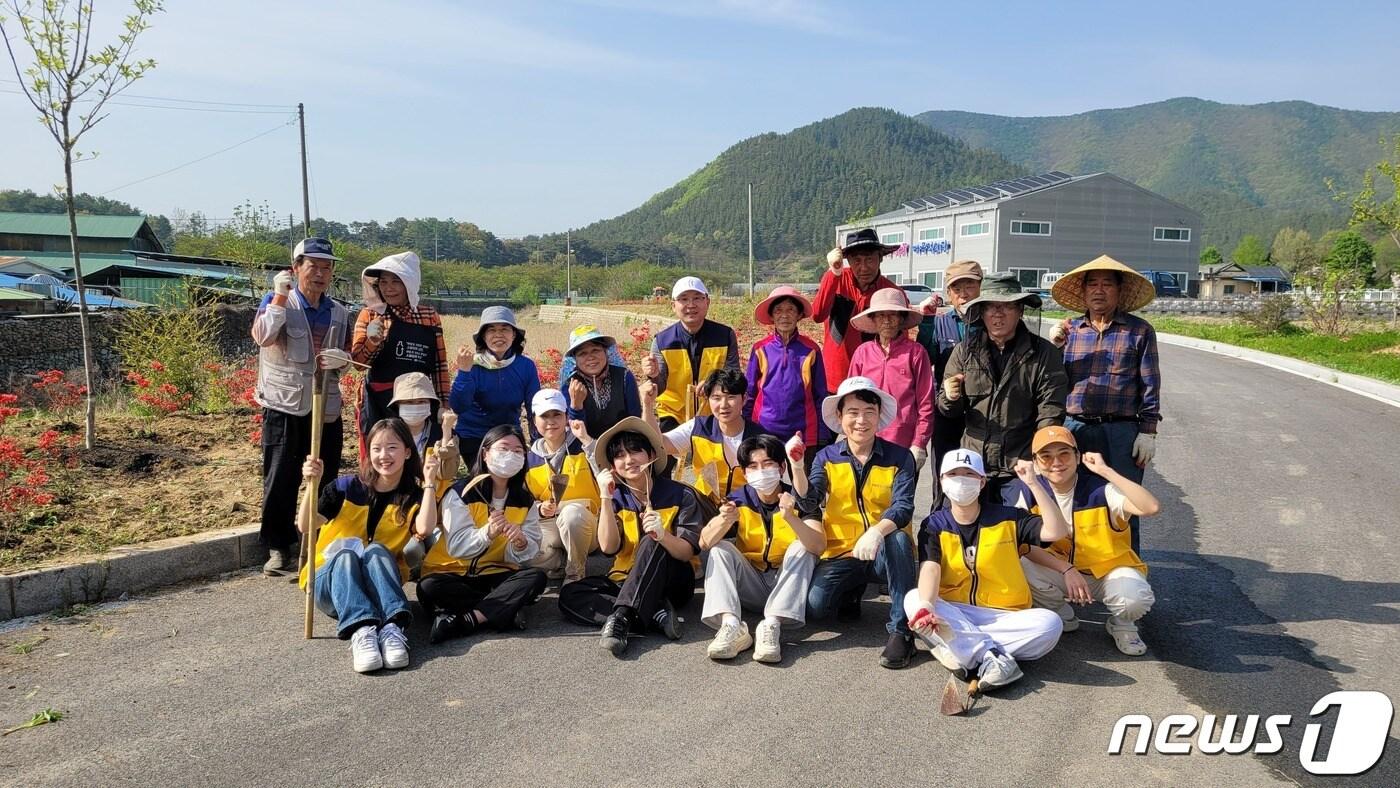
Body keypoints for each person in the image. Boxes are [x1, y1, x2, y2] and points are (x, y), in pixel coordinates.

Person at [903, 449, 1069, 692]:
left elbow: (1055, 532)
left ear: (982, 482)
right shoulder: (935, 523)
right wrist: (927, 607)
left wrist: (1033, 483)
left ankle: (963, 650)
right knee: (915, 598)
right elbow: (930, 568)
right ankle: (991, 656)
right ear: (942, 481)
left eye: (969, 474)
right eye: (954, 474)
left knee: (1050, 624)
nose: (961, 479)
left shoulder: (1009, 517)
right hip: (956, 610)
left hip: (1005, 615)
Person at [557, 417, 705, 658]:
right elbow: (608, 546)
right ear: (613, 466)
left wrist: (664, 536)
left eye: (636, 451)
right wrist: (605, 498)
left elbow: (686, 552)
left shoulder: (681, 494)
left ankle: (622, 617)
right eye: (620, 456)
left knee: (652, 540)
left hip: (674, 581)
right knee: (569, 595)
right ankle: (652, 614)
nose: (629, 460)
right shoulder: (616, 498)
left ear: (651, 455)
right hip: (623, 580)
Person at [800, 377, 919, 669]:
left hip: (884, 550)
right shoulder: (825, 458)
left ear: (879, 416)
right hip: (841, 551)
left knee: (900, 538)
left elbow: (903, 507)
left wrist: (877, 531)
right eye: (852, 412)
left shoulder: (900, 457)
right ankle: (850, 591)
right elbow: (810, 500)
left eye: (869, 412)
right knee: (816, 607)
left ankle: (902, 632)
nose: (861, 420)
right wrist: (795, 467)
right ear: (839, 417)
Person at [252, 237, 353, 576]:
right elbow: (263, 336)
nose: (320, 274)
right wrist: (279, 297)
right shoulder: (277, 300)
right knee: (281, 476)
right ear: (296, 269)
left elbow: (347, 358)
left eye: (326, 267)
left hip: (326, 406)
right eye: (312, 266)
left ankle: (318, 541)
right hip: (284, 405)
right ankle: (279, 548)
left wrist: (342, 360)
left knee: (326, 478)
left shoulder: (339, 311)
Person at [298, 418, 432, 673]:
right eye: (376, 449)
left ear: (407, 451)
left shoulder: (413, 496)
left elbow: (424, 529)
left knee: (376, 550)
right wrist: (309, 485)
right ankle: (361, 630)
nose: (384, 456)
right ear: (368, 453)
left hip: (379, 586)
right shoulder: (345, 488)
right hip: (331, 582)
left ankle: (392, 628)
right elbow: (305, 525)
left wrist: (429, 483)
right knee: (347, 556)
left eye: (392, 447)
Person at [1011, 426, 1159, 656]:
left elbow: (1150, 507)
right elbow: (1024, 547)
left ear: (1078, 457)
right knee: (1016, 564)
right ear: (1036, 463)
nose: (1056, 462)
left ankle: (1122, 624)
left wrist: (1106, 471)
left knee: (1133, 599)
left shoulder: (1101, 490)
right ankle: (1059, 610)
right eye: (1046, 457)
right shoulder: (1031, 491)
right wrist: (1066, 568)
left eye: (1064, 454)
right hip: (1062, 572)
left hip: (1108, 572)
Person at [1049, 255, 1162, 554]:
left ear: (1119, 291)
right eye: (1093, 284)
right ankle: (1082, 566)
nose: (1099, 290)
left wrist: (1148, 431)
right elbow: (1051, 381)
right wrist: (1054, 348)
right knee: (1078, 499)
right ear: (1084, 292)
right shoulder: (1070, 331)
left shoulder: (1139, 331)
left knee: (1127, 502)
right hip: (1075, 427)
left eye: (1107, 284)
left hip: (1122, 431)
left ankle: (1128, 567)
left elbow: (1150, 383)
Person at [937, 273, 1067, 505]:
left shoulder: (1044, 354)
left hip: (1020, 465)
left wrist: (1040, 457)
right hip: (973, 465)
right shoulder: (964, 352)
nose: (998, 313)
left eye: (1006, 306)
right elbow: (949, 410)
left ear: (1020, 310)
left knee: (1024, 533)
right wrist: (949, 396)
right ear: (981, 312)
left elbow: (1051, 411)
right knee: (955, 526)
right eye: (991, 307)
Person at [416, 424, 547, 644]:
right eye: (504, 448)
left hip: (494, 574)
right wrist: (489, 532)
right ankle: (503, 609)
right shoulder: (461, 493)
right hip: (452, 573)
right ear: (485, 454)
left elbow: (527, 551)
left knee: (535, 577)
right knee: (428, 588)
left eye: (517, 451)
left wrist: (521, 544)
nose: (511, 455)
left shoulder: (525, 501)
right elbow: (457, 547)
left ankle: (468, 619)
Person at [700, 434, 822, 663]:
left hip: (788, 583)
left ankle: (772, 625)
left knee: (802, 547)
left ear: (782, 466)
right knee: (720, 549)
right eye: (753, 467)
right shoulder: (738, 499)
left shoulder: (800, 498)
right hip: (752, 583)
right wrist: (724, 520)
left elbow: (818, 546)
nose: (761, 471)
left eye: (768, 464)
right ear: (745, 474)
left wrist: (791, 518)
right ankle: (732, 625)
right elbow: (704, 543)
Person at [351, 251, 449, 459]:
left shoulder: (429, 316)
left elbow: (439, 364)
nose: (388, 288)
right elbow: (358, 363)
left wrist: (444, 403)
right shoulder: (370, 314)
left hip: (418, 401)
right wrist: (372, 342)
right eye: (383, 282)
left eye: (396, 281)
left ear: (410, 283)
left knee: (419, 456)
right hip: (379, 400)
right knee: (380, 458)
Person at [642, 277, 740, 474]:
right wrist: (653, 375)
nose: (691, 305)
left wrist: (713, 382)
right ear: (673, 305)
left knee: (716, 469)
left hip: (712, 413)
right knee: (660, 465)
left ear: (707, 302)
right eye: (684, 299)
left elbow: (734, 374)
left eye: (697, 298)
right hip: (673, 413)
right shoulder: (662, 341)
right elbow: (659, 385)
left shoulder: (724, 335)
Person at [644, 368, 773, 502]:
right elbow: (659, 444)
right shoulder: (699, 428)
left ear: (744, 399)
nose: (723, 405)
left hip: (748, 510)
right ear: (708, 399)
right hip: (705, 508)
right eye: (716, 398)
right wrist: (647, 405)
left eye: (731, 397)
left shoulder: (760, 438)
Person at [847, 287, 935, 472]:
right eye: (880, 315)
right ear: (873, 319)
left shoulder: (916, 353)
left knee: (900, 499)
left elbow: (926, 403)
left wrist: (919, 443)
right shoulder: (862, 353)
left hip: (903, 443)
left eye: (892, 315)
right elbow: (849, 400)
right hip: (866, 441)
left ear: (902, 318)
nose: (887, 320)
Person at [448, 306, 541, 467]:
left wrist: (537, 442)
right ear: (483, 337)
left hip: (509, 436)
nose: (498, 335)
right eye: (491, 330)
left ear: (514, 335)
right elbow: (459, 406)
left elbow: (534, 406)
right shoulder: (473, 365)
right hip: (474, 437)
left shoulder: (525, 366)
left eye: (505, 329)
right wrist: (464, 372)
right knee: (483, 485)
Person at [915, 260, 983, 478]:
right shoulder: (940, 323)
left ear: (980, 287)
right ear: (949, 293)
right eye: (957, 288)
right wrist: (926, 322)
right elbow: (925, 359)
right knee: (945, 473)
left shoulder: (992, 322)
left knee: (979, 473)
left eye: (969, 286)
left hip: (982, 411)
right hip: (946, 409)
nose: (963, 294)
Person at [526, 389, 600, 584]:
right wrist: (539, 508)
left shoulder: (583, 445)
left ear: (566, 416)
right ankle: (559, 562)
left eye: (557, 414)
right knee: (521, 550)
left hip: (586, 523)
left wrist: (586, 440)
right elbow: (522, 502)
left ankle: (575, 572)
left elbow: (606, 476)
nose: (551, 421)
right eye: (544, 416)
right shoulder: (528, 459)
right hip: (549, 525)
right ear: (534, 421)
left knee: (572, 515)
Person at [744, 285, 829, 453]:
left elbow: (820, 394)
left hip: (803, 429)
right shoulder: (760, 349)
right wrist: (746, 425)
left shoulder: (811, 349)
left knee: (803, 478)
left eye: (791, 310)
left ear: (799, 315)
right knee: (767, 477)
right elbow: (750, 391)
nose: (784, 315)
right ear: (771, 316)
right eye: (778, 310)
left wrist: (822, 433)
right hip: (765, 428)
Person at [811, 229, 898, 391]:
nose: (863, 268)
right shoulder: (835, 278)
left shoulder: (891, 292)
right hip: (835, 377)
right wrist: (834, 272)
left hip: (874, 378)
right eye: (856, 260)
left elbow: (900, 339)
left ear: (880, 258)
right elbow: (817, 314)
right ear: (848, 261)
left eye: (870, 259)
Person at [562, 325, 641, 440]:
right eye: (583, 353)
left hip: (624, 445)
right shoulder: (569, 385)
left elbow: (635, 418)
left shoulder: (624, 376)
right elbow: (575, 432)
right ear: (575, 359)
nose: (590, 357)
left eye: (595, 350)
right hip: (585, 447)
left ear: (605, 352)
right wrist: (576, 405)